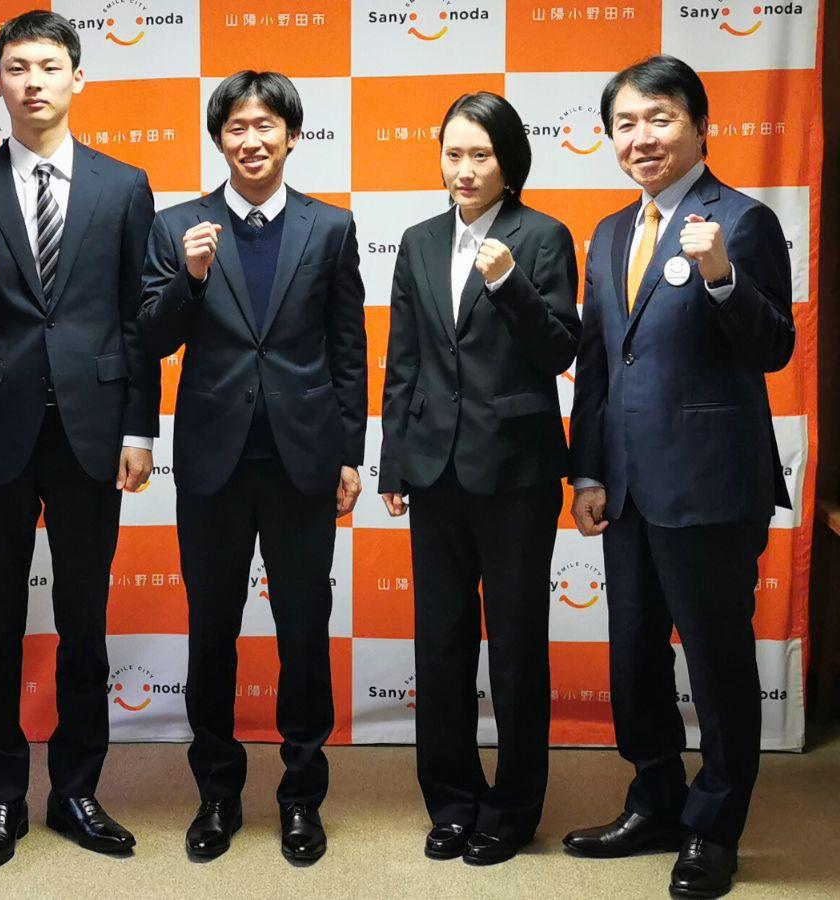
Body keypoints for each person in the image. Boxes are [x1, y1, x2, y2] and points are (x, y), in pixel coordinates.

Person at [0, 10, 157, 867]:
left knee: (83, 623)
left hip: (93, 433)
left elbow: (138, 318)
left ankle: (77, 791)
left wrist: (139, 426)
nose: (33, 81)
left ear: (77, 78)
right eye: (17, 67)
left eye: (49, 66)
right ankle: (0, 798)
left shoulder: (124, 186)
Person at [563, 55, 794, 899]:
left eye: (659, 118)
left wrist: (722, 276)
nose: (642, 137)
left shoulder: (743, 219)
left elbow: (775, 347)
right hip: (626, 488)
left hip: (711, 485)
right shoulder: (609, 233)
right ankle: (655, 800)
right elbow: (599, 362)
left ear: (700, 126)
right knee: (633, 659)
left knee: (718, 663)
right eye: (625, 124)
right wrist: (588, 471)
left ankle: (714, 827)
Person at [139, 70, 366, 865]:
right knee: (213, 632)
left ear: (293, 136)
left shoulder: (330, 227)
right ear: (219, 139)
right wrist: (190, 278)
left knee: (304, 631)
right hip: (214, 463)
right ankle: (217, 793)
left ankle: (301, 796)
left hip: (304, 460)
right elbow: (153, 337)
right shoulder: (178, 226)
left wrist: (350, 452)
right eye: (236, 126)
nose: (252, 139)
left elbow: (348, 348)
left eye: (266, 124)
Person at [378, 92, 580, 866]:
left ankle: (514, 807)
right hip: (434, 470)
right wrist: (396, 460)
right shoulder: (419, 240)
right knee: (441, 644)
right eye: (453, 154)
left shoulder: (543, 236)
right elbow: (403, 359)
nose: (464, 170)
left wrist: (509, 283)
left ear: (509, 162)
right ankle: (452, 800)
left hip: (517, 473)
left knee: (518, 646)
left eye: (480, 155)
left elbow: (559, 350)